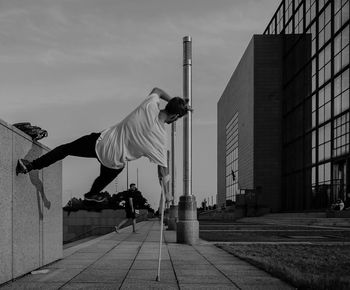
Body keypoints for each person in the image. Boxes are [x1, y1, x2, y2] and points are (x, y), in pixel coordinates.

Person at [16, 87, 191, 202]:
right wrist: (167, 193)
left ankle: (30, 165)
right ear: (175, 117)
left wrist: (178, 103)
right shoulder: (160, 139)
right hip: (114, 162)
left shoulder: (149, 106)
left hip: (101, 143)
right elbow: (162, 170)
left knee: (66, 149)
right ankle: (92, 193)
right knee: (105, 177)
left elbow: (158, 90)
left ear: (169, 106)